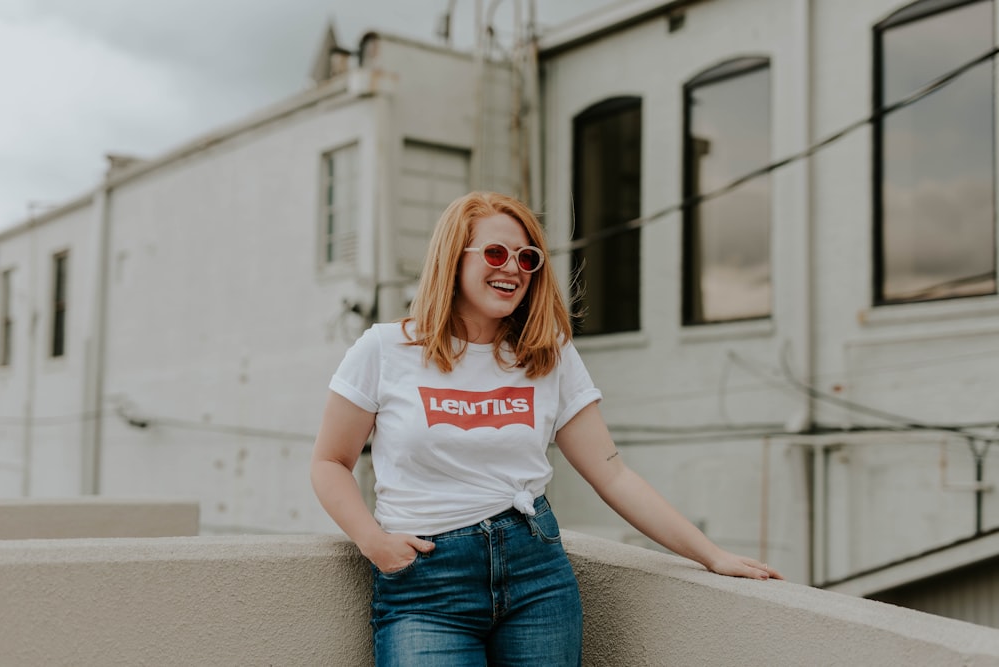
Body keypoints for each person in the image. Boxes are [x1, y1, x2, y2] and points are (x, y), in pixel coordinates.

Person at [311, 191, 782, 666]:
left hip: (535, 571)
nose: (512, 268)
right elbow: (330, 462)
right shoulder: (386, 348)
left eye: (527, 258)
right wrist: (374, 543)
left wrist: (711, 555)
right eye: (495, 253)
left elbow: (613, 473)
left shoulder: (547, 353)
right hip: (429, 584)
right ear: (454, 259)